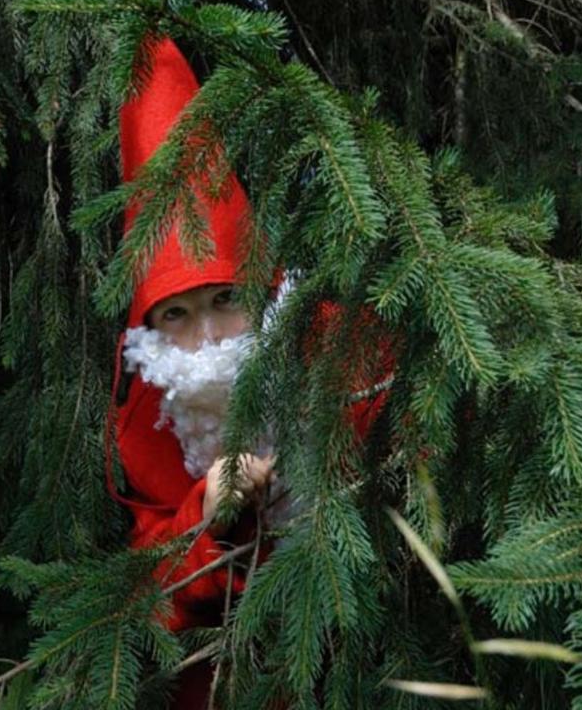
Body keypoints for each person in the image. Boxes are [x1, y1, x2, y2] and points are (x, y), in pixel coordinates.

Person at [107, 36, 392, 708]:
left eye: (227, 300)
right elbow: (150, 605)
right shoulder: (150, 412)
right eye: (176, 314)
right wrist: (204, 514)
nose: (206, 339)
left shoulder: (340, 346)